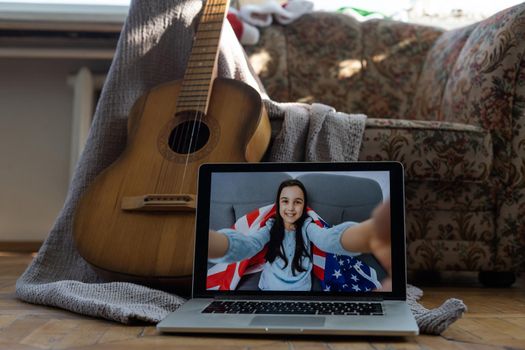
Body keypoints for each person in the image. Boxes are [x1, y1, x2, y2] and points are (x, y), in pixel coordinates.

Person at [208, 179, 391, 291]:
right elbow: (250, 244)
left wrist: (369, 233)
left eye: (297, 202)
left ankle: (374, 232)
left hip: (301, 292)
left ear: (304, 206)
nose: (290, 208)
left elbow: (327, 240)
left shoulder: (307, 226)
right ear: (278, 204)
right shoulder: (270, 226)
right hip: (269, 292)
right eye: (285, 201)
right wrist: (214, 243)